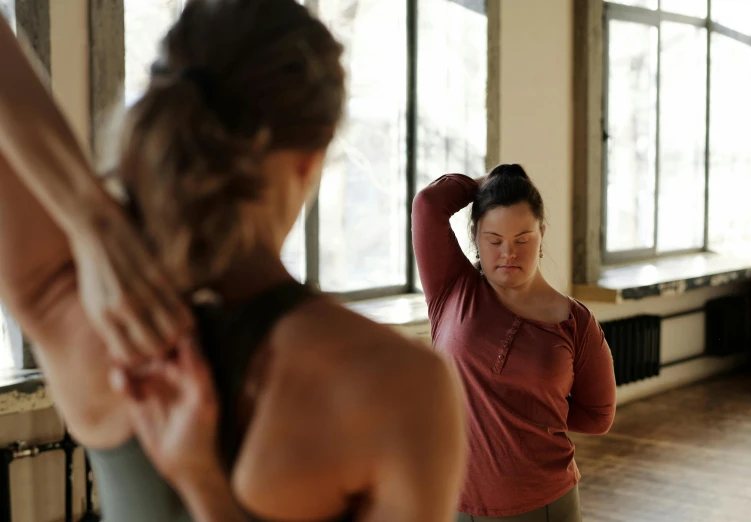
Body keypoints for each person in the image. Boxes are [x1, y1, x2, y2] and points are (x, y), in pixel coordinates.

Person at [0, 1, 466, 521]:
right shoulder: (396, 384)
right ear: (308, 160)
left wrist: (92, 220)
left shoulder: (71, 306)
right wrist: (204, 487)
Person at [412, 164, 616, 522]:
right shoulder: (452, 289)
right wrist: (491, 183)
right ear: (475, 236)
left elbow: (599, 417)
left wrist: (533, 412)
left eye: (522, 239)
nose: (508, 253)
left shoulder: (575, 323)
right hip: (452, 501)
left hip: (540, 504)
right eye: (494, 240)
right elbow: (429, 204)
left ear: (542, 234)